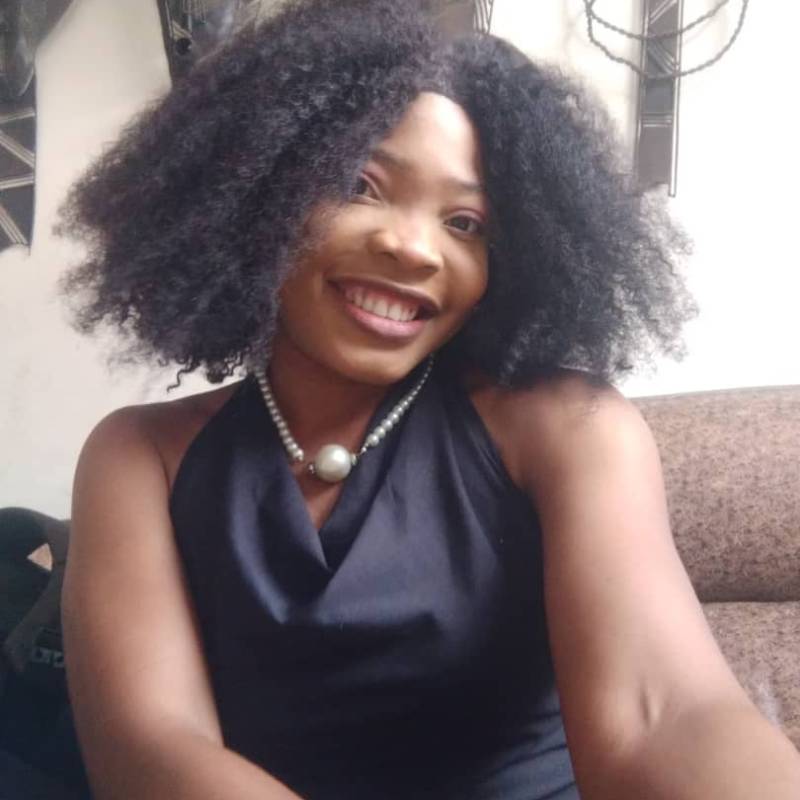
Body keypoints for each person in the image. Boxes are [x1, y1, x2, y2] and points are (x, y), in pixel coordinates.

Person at [55, 0, 800, 798]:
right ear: (256, 191)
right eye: (360, 185)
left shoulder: (566, 428)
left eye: (466, 222)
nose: (413, 247)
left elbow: (665, 716)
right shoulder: (143, 456)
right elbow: (148, 747)